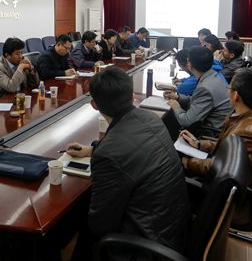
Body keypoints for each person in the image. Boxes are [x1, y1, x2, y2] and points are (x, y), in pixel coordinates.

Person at [65, 67, 189, 260]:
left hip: (147, 248)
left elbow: (100, 225)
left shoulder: (109, 155)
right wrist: (93, 149)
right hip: (176, 226)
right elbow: (131, 149)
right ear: (131, 97)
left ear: (94, 105)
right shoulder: (150, 117)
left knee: (80, 222)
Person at [180, 68, 252, 180]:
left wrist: (188, 162)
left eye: (229, 87)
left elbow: (218, 168)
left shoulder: (249, 133)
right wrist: (199, 144)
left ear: (235, 95)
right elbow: (226, 149)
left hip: (219, 184)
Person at [161, 46, 231, 139]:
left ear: (189, 64)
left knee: (168, 119)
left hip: (210, 133)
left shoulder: (205, 87)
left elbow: (186, 121)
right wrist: (178, 98)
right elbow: (198, 100)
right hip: (218, 124)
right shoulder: (213, 75)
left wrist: (175, 106)